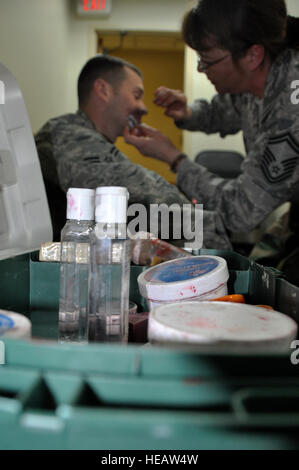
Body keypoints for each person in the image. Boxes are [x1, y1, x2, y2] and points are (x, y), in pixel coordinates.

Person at [124, 0, 299, 259]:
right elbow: (235, 108)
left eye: (207, 60)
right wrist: (189, 113)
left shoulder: (290, 108)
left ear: (253, 55)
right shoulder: (266, 72)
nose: (200, 69)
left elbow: (241, 210)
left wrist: (175, 159)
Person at [35, 54, 230, 248]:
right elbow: (135, 199)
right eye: (137, 95)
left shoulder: (81, 136)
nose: (143, 108)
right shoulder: (69, 135)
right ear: (103, 90)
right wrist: (204, 223)